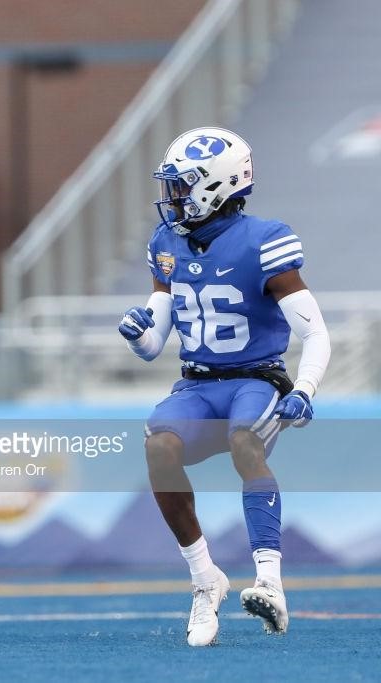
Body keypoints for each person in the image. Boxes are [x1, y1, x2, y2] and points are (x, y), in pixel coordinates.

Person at [118, 127, 331, 646]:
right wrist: (139, 335)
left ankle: (270, 583)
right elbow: (155, 344)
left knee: (244, 441)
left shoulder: (264, 239)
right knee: (159, 448)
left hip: (257, 379)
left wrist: (305, 388)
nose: (173, 196)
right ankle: (204, 579)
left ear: (218, 184)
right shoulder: (166, 243)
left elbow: (315, 332)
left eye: (184, 184)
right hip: (197, 384)